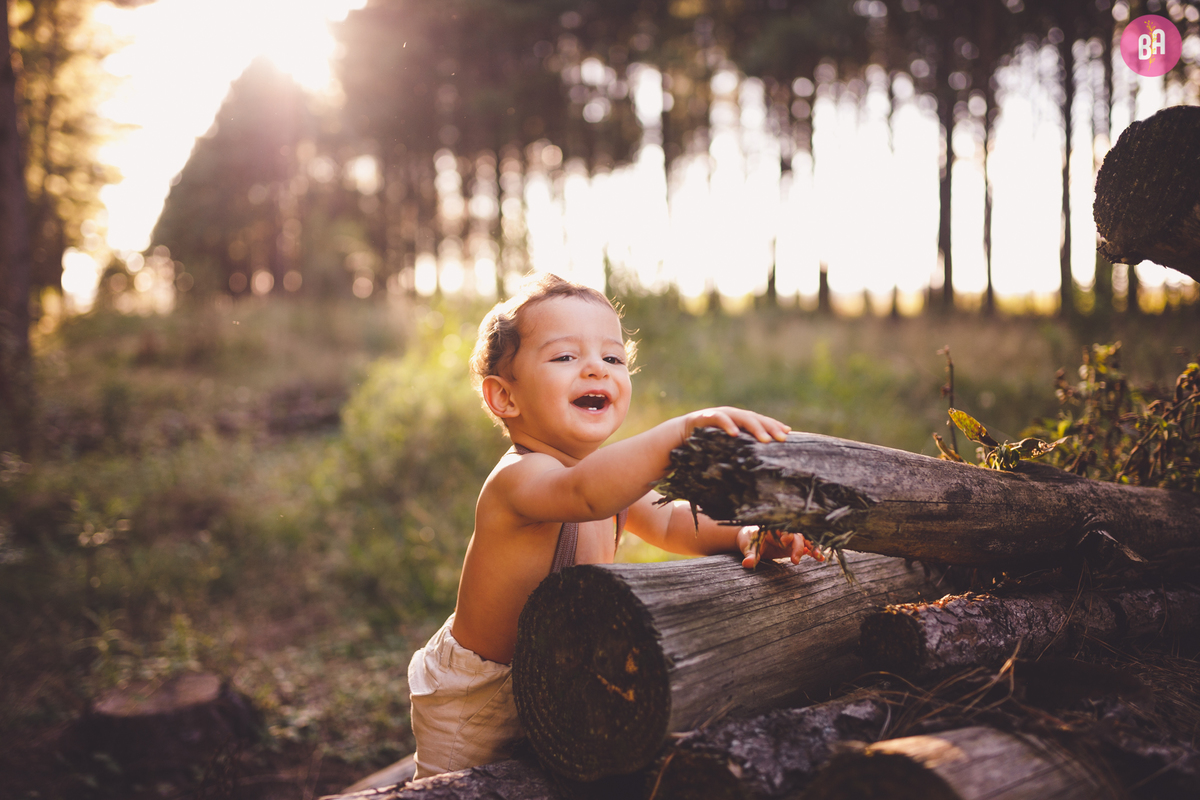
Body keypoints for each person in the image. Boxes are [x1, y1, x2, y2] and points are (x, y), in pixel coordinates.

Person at [407, 272, 822, 778]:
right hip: (476, 699)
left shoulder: (607, 478)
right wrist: (682, 431)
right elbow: (584, 494)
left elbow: (673, 522)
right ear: (505, 398)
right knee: (455, 790)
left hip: (557, 681)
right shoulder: (521, 479)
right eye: (565, 357)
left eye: (612, 358)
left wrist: (746, 533)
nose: (596, 371)